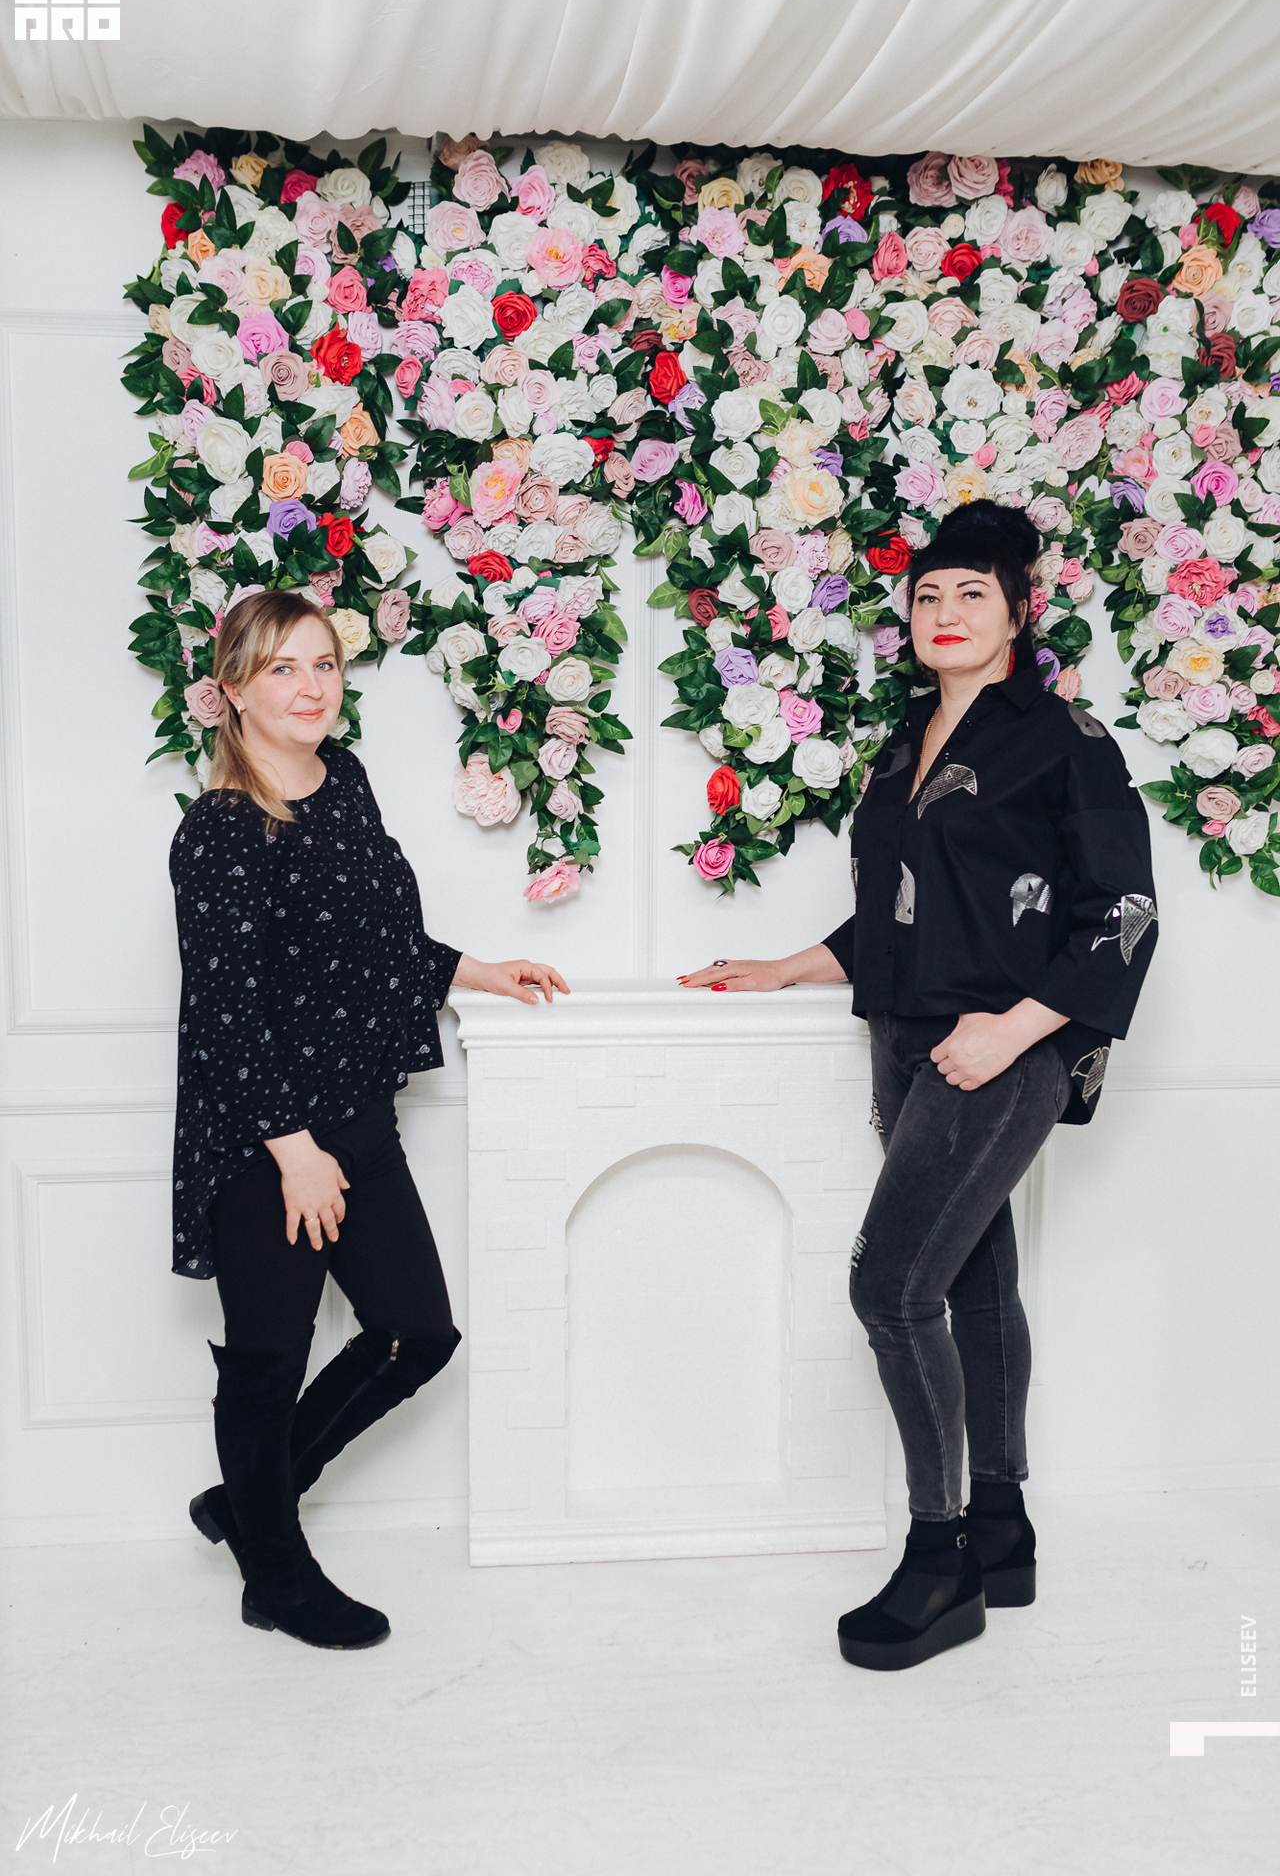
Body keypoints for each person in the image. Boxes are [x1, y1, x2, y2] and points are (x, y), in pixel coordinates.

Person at [680, 501, 1157, 1670]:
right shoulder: (904, 745)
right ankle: (1000, 1526)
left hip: (997, 1054)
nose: (943, 613)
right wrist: (787, 965)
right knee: (974, 1286)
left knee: (888, 1291)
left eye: (970, 596)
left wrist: (1011, 1033)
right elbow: (907, 908)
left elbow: (1124, 912)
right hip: (903, 1045)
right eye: (926, 597)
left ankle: (937, 1557)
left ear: (1017, 612)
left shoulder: (1064, 740)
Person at [170, 588, 567, 1651]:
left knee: (414, 1335)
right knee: (268, 1358)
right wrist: (292, 1153)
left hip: (354, 1117)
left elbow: (371, 938)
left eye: (324, 665)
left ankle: (248, 1506)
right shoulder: (219, 830)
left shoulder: (342, 781)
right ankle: (276, 1577)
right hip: (263, 1140)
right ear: (234, 691)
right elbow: (224, 1012)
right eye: (282, 669)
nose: (311, 688)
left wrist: (479, 970)